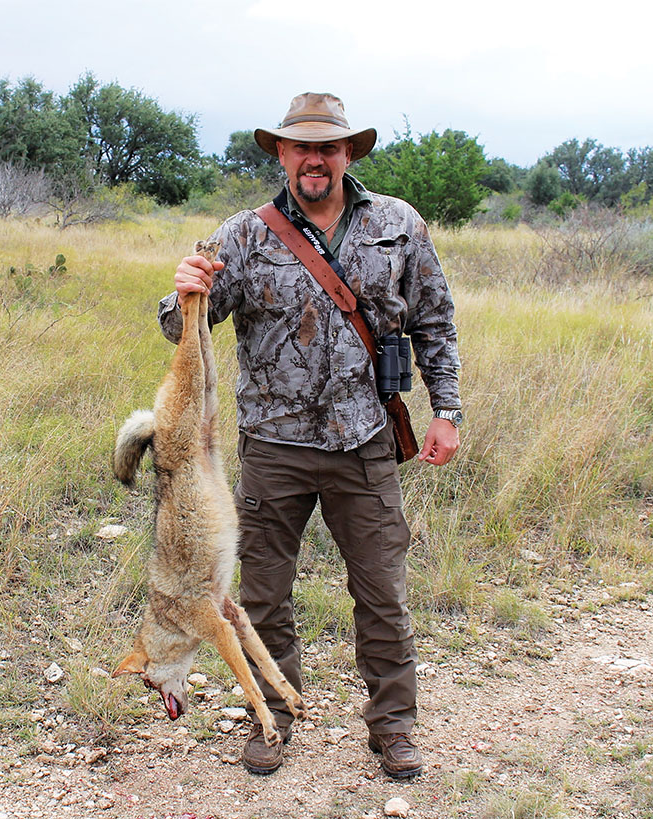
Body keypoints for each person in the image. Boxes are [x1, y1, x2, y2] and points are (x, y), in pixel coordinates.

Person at [158, 92, 462, 779]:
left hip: (366, 444)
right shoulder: (243, 234)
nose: (316, 159)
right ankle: (273, 716)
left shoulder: (397, 225)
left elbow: (435, 322)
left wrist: (448, 409)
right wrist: (183, 295)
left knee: (383, 594)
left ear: (349, 152)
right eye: (303, 147)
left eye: (329, 146)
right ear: (283, 154)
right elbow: (184, 334)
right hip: (274, 448)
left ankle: (392, 728)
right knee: (263, 596)